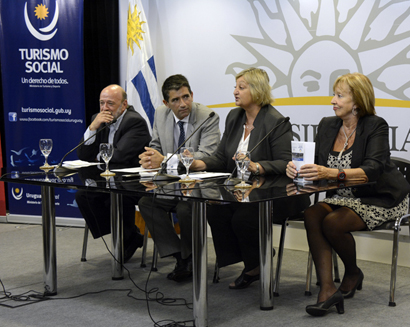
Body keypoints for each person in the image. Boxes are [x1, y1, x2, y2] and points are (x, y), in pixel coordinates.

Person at [286, 72, 410, 316]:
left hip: (380, 197)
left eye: (339, 96)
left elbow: (372, 171)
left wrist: (332, 173)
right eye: (334, 94)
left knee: (333, 222)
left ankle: (352, 272)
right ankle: (328, 289)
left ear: (357, 102)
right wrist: (297, 167)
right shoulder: (327, 125)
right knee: (312, 213)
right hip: (344, 199)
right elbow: (318, 166)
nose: (333, 100)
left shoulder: (375, 125)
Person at [190, 67, 297, 289]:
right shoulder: (234, 116)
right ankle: (257, 256)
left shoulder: (276, 121)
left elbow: (285, 162)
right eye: (235, 87)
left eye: (241, 87)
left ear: (257, 90)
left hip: (272, 192)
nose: (235, 92)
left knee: (242, 217)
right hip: (240, 190)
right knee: (215, 209)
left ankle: (253, 265)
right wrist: (197, 163)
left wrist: (256, 166)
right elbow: (221, 157)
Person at [138, 74, 220, 282]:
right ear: (166, 103)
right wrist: (149, 157)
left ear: (192, 95)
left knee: (186, 207)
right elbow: (156, 145)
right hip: (169, 185)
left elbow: (206, 155)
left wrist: (163, 160)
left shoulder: (208, 117)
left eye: (186, 97)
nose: (183, 104)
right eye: (175, 100)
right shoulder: (160, 114)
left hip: (200, 187)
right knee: (147, 202)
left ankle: (189, 259)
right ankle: (179, 256)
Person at [75, 84, 151, 263]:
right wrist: (93, 128)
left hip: (132, 182)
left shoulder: (135, 121)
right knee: (83, 195)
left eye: (110, 103)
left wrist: (98, 155)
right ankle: (127, 236)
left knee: (116, 198)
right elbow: (83, 154)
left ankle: (126, 238)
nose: (104, 108)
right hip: (108, 179)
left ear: (123, 105)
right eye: (102, 103)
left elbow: (120, 156)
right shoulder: (98, 119)